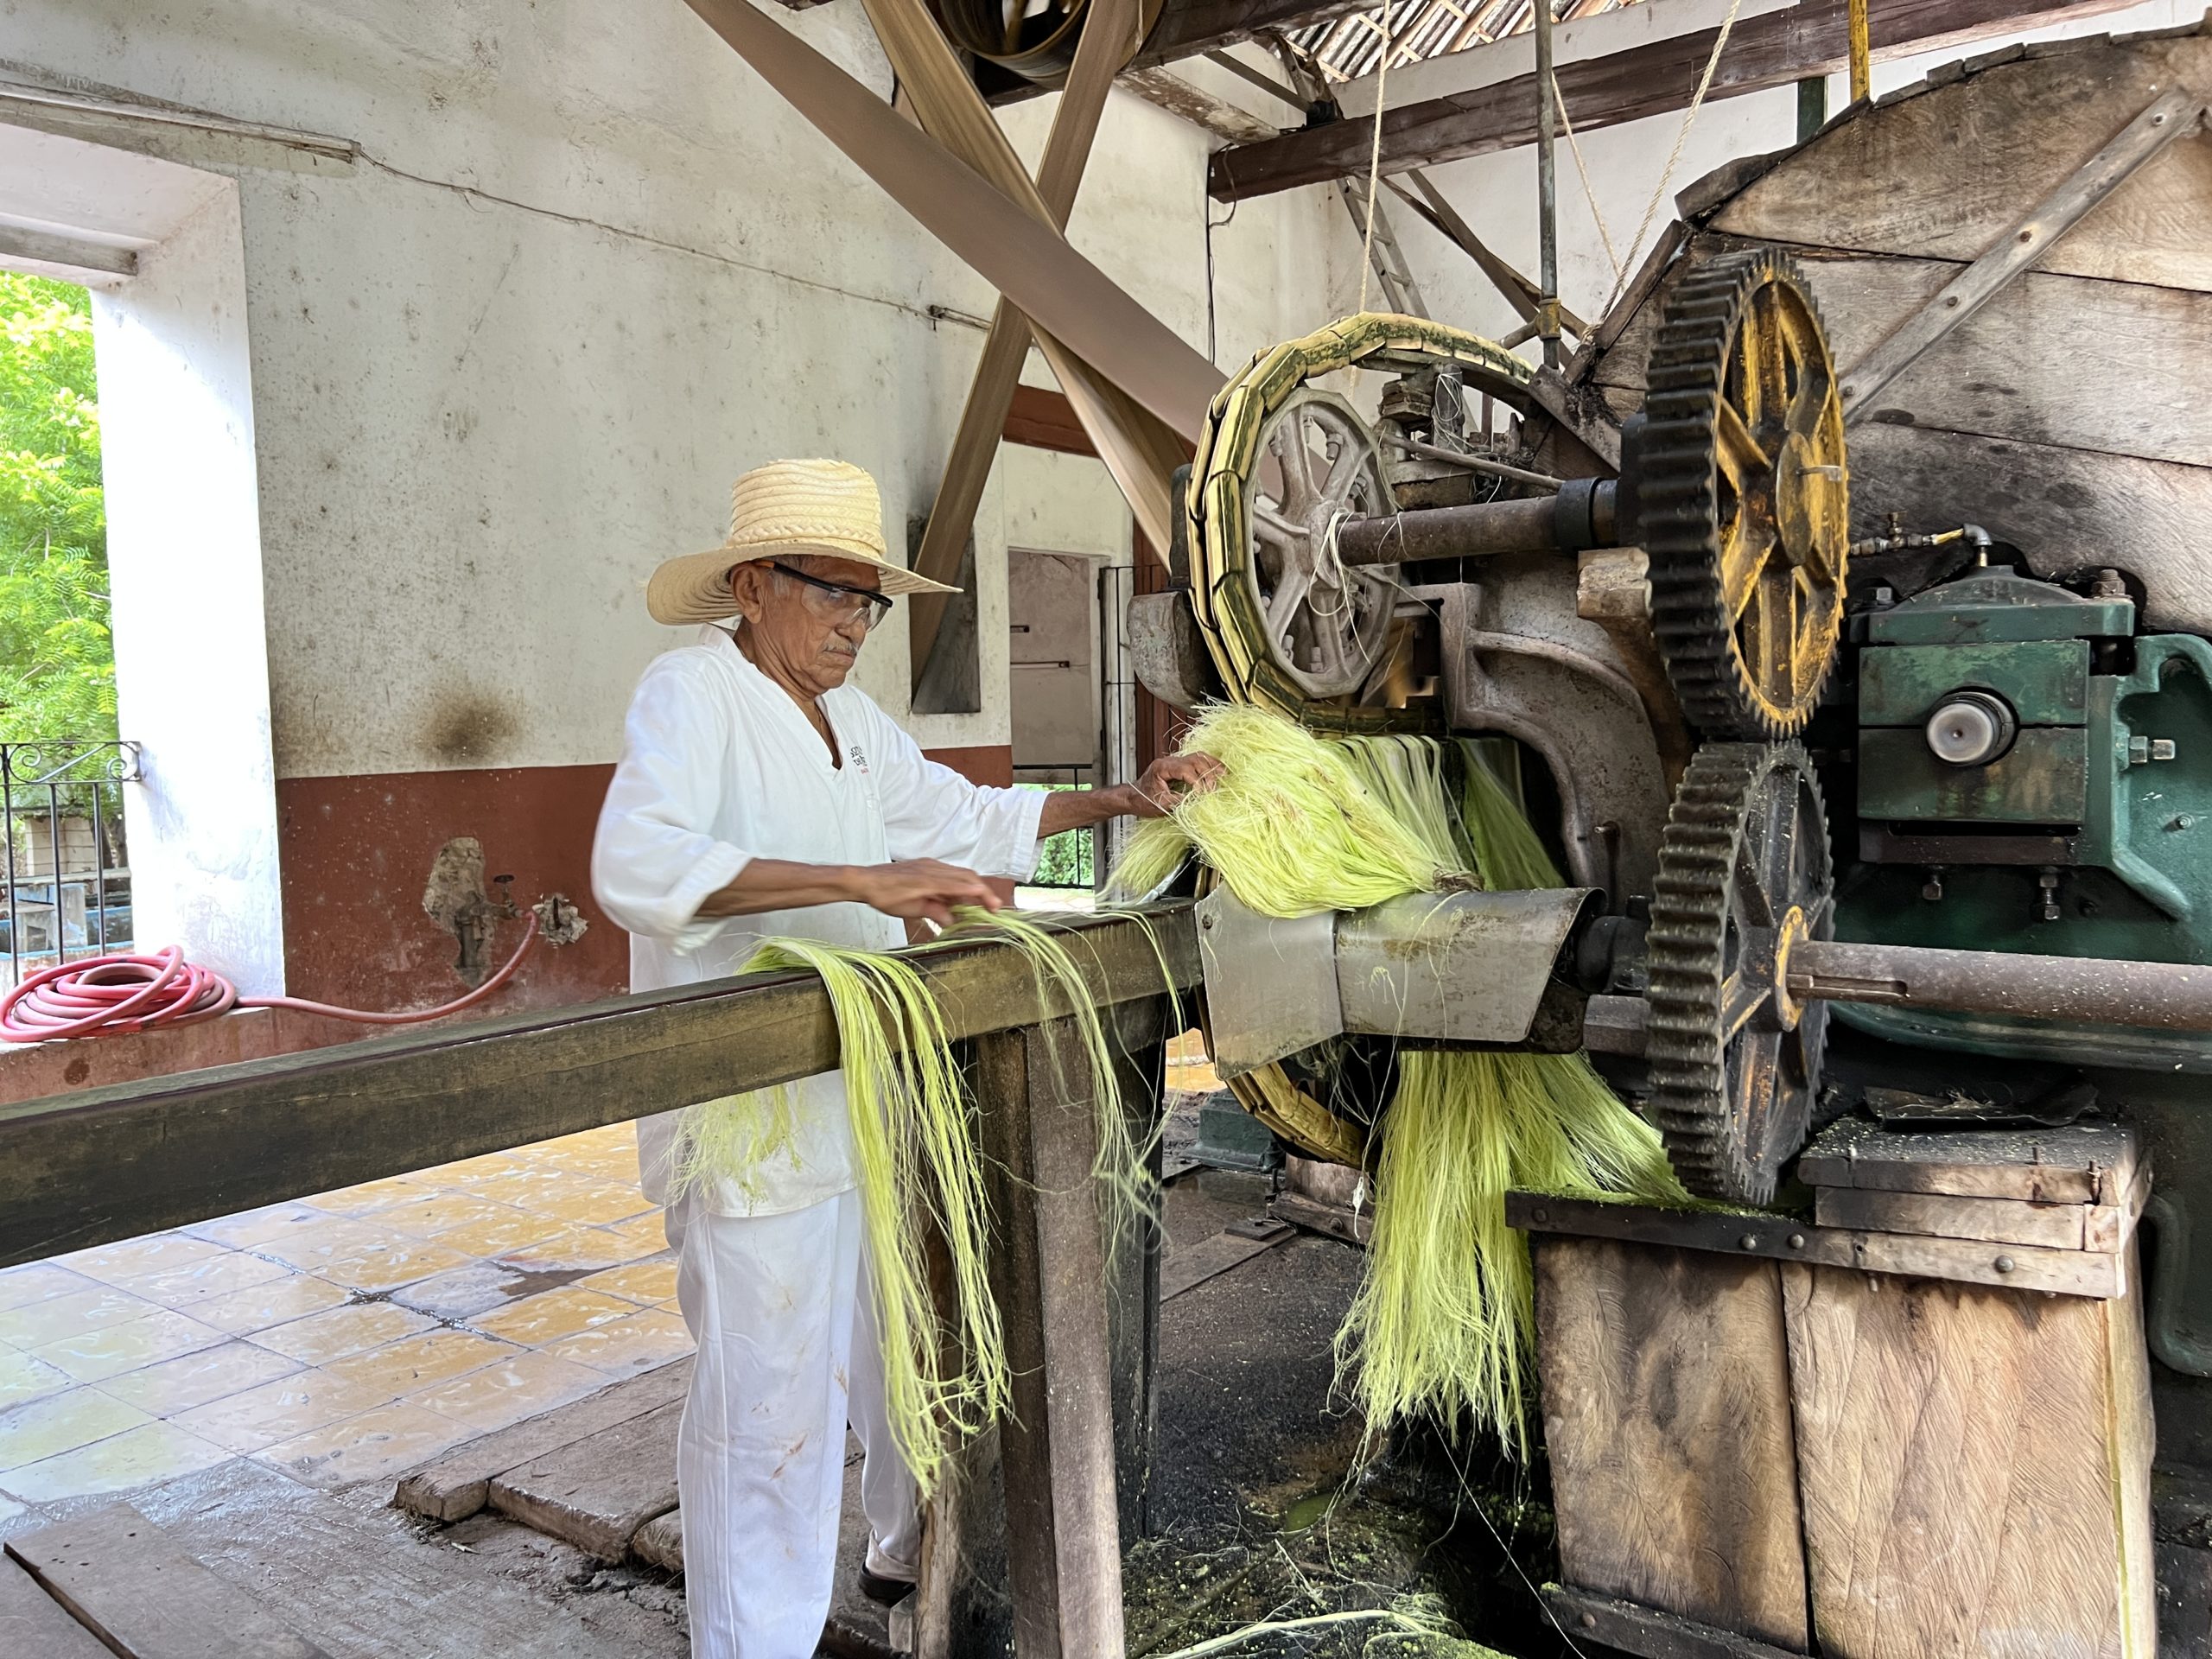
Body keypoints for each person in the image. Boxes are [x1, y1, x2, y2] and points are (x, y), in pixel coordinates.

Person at [590, 458, 1220, 1659]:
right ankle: (756, 1642)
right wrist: (856, 881)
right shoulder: (694, 697)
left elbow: (959, 815)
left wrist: (1128, 800)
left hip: (858, 1102)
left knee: (892, 1350)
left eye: (869, 601)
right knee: (766, 1406)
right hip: (749, 1127)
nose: (855, 624)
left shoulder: (852, 723)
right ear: (752, 584)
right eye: (833, 592)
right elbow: (637, 864)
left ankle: (894, 1554)